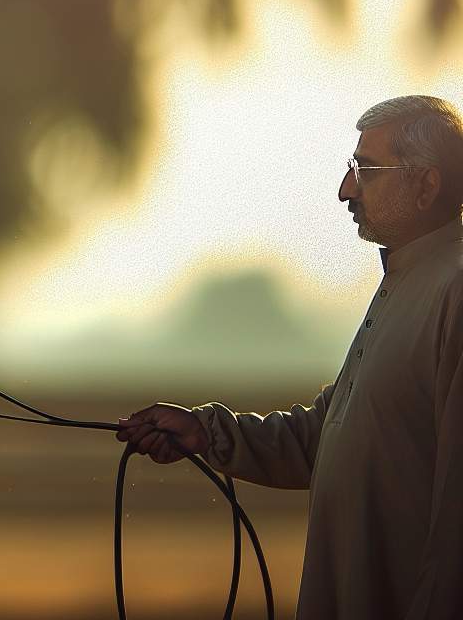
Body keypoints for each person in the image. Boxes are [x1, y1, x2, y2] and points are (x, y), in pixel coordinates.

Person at [117, 95, 463, 619]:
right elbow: (324, 435)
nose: (346, 190)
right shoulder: (407, 284)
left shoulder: (454, 291)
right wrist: (205, 432)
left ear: (427, 185)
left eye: (365, 170)